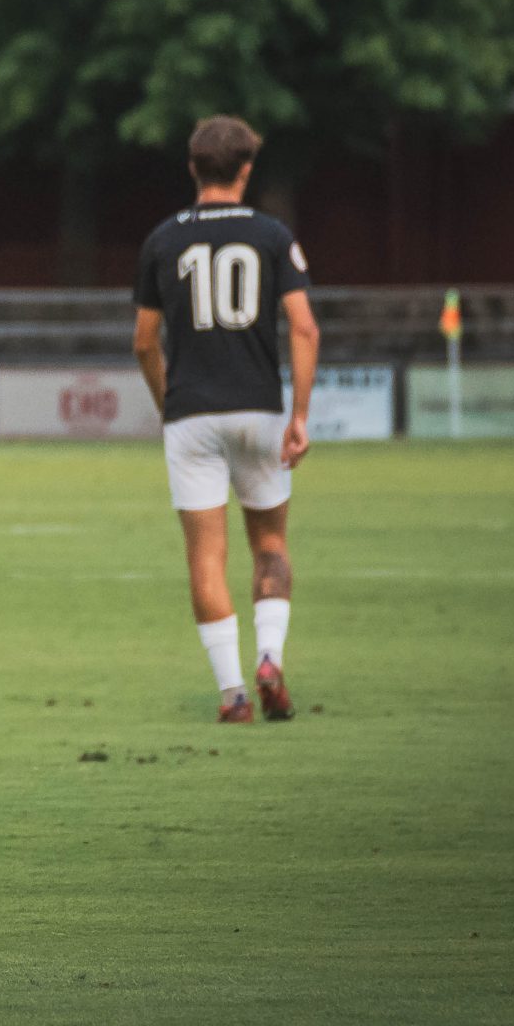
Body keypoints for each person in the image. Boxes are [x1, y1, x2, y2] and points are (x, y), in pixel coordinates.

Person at [132, 116, 319, 725]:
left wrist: (168, 405)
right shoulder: (271, 235)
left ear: (192, 168)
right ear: (246, 169)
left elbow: (144, 341)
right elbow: (304, 328)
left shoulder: (163, 240)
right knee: (270, 544)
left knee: (206, 558)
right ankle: (269, 658)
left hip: (191, 415)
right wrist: (299, 415)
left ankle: (233, 694)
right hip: (258, 410)